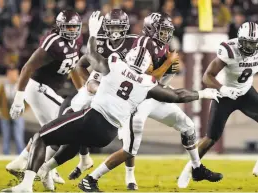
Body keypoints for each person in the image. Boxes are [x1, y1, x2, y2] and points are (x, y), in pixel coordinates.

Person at [2, 11, 222, 192]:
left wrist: (93, 37)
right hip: (111, 127)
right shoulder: (146, 80)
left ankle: (43, 175)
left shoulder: (117, 63)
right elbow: (174, 94)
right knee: (99, 139)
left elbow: (95, 59)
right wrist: (204, 93)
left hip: (99, 112)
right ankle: (60, 168)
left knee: (50, 133)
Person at [78, 12, 224, 192]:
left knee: (187, 125)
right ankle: (92, 178)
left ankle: (196, 168)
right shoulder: (143, 45)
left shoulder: (160, 46)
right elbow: (140, 80)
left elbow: (159, 83)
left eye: (167, 31)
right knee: (130, 149)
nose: (165, 35)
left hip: (153, 96)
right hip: (137, 99)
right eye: (162, 31)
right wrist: (166, 66)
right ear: (150, 30)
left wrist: (170, 71)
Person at [5, 9, 84, 188]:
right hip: (38, 88)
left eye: (74, 27)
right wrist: (19, 98)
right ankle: (44, 170)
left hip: (48, 90)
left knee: (50, 132)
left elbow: (74, 69)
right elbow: (27, 67)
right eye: (68, 27)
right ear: (60, 26)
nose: (72, 30)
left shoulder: (77, 41)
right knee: (66, 124)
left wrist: (83, 92)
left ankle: (23, 165)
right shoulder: (53, 42)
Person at [177, 22, 258, 188]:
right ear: (239, 39)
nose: (250, 47)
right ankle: (189, 168)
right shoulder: (229, 50)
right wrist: (223, 89)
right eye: (247, 42)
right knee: (211, 137)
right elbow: (207, 77)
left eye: (253, 43)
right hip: (226, 94)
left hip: (245, 92)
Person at [67, 9, 140, 190]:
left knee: (129, 137)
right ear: (105, 27)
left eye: (118, 26)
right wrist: (88, 84)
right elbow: (81, 64)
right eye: (112, 26)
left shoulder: (135, 43)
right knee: (77, 113)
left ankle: (130, 176)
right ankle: (82, 158)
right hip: (100, 89)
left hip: (123, 94)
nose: (115, 30)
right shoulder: (99, 42)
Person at [0, 67, 26, 154]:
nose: (12, 76)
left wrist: (21, 111)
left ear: (17, 74)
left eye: (14, 74)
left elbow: (27, 101)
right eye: (10, 74)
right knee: (6, 137)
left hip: (18, 116)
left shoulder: (21, 85)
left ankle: (21, 156)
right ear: (7, 74)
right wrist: (3, 111)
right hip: (5, 115)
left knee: (19, 137)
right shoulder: (3, 86)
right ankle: (5, 155)